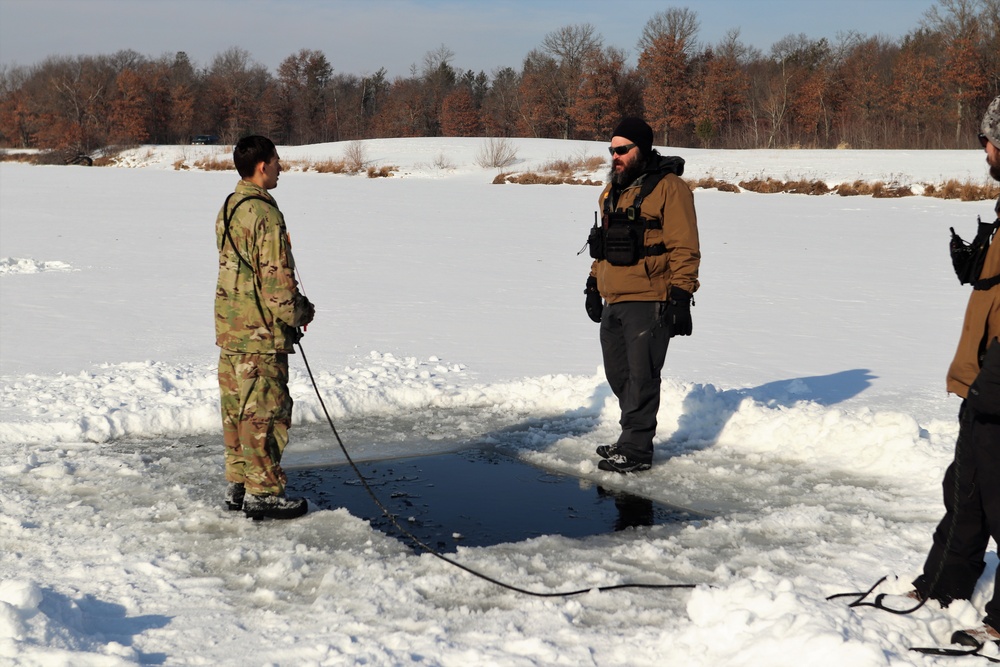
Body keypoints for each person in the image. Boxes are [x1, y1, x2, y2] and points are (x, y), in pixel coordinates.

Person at [910, 95, 1000, 648]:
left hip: (998, 383)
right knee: (965, 490)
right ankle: (943, 587)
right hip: (985, 378)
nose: (985, 151)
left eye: (989, 140)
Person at [583, 117, 700, 473]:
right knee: (619, 374)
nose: (614, 156)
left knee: (642, 374)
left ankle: (636, 448)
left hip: (650, 297)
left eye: (622, 150)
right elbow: (601, 245)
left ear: (641, 149)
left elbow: (685, 245)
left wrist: (681, 295)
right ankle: (629, 438)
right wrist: (592, 284)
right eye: (611, 150)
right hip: (613, 298)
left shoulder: (669, 188)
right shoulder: (611, 191)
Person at [215, 135, 315, 520]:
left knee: (238, 411)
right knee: (264, 414)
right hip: (258, 335)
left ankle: (240, 485)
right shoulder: (264, 215)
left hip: (232, 330)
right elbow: (276, 287)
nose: (280, 167)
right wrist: (301, 313)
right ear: (262, 165)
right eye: (276, 160)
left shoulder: (229, 206)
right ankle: (263, 493)